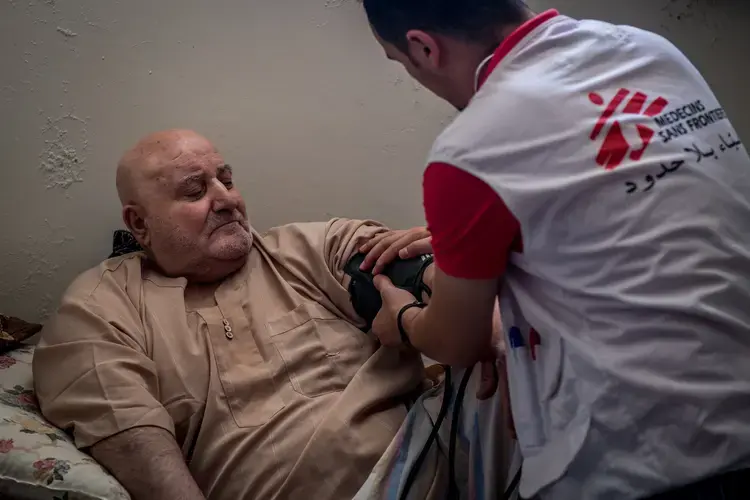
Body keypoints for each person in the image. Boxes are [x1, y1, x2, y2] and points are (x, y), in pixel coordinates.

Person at [359, 1, 750, 499]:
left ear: (423, 47)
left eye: (402, 63)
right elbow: (633, 206)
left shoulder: (471, 150)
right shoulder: (650, 51)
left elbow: (457, 342)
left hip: (653, 464)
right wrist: (476, 245)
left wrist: (406, 319)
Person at [32, 129, 457, 500]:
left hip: (436, 467)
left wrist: (459, 296)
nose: (227, 198)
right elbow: (128, 432)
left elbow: (416, 268)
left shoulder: (306, 250)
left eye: (227, 179)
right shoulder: (103, 304)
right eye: (195, 191)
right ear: (139, 224)